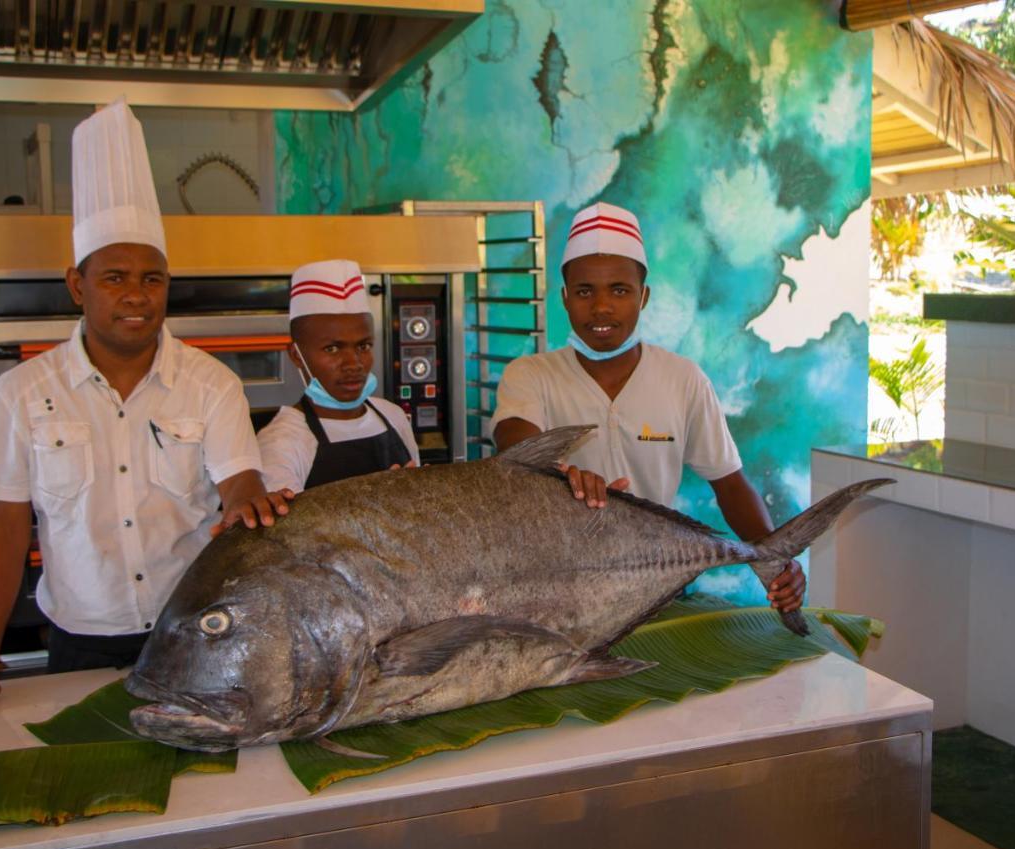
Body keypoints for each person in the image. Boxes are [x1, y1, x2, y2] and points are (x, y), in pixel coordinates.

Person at [0, 99, 288, 721]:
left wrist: (252, 497)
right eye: (114, 277)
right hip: (78, 642)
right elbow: (5, 528)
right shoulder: (23, 393)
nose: (137, 296)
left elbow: (239, 481)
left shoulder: (211, 384)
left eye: (153, 278)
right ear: (76, 284)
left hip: (195, 630)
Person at [490, 201, 806, 614]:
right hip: (557, 597)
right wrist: (554, 474)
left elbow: (730, 484)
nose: (601, 307)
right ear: (565, 298)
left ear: (644, 296)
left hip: (657, 596)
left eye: (619, 290)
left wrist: (775, 557)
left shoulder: (683, 379)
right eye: (585, 291)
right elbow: (515, 444)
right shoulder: (531, 374)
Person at [257, 259, 420, 492]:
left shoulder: (393, 417)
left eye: (363, 346)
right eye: (332, 349)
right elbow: (292, 529)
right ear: (296, 355)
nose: (353, 364)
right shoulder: (281, 444)